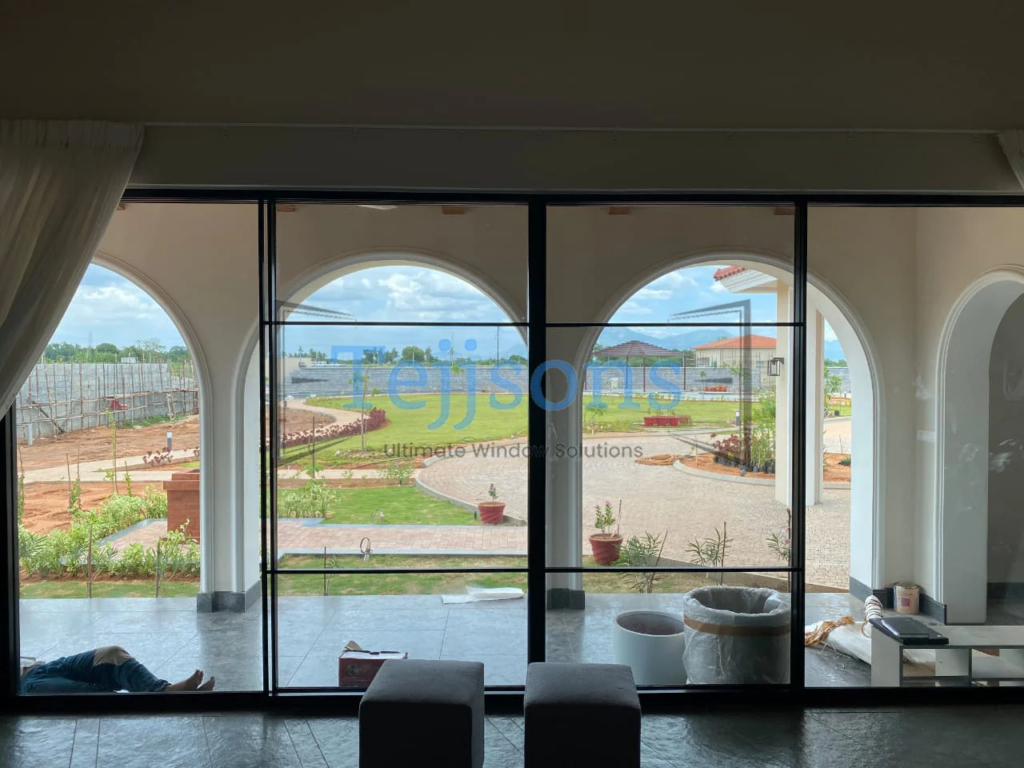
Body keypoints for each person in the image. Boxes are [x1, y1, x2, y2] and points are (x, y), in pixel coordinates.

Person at [20, 645, 215, 694]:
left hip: (46, 666)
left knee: (112, 653)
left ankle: (165, 690)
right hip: (28, 683)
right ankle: (170, 695)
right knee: (85, 692)